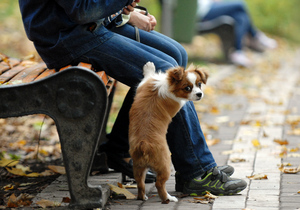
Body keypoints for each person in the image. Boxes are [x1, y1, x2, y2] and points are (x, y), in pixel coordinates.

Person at [19, 0, 247, 196]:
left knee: (177, 55)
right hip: (67, 36)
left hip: (86, 27)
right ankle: (196, 172)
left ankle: (119, 148)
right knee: (166, 74)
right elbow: (82, 10)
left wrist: (122, 14)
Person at [197, 0, 277, 67]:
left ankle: (238, 51)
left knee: (241, 16)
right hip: (203, 11)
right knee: (240, 4)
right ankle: (255, 36)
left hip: (209, 6)